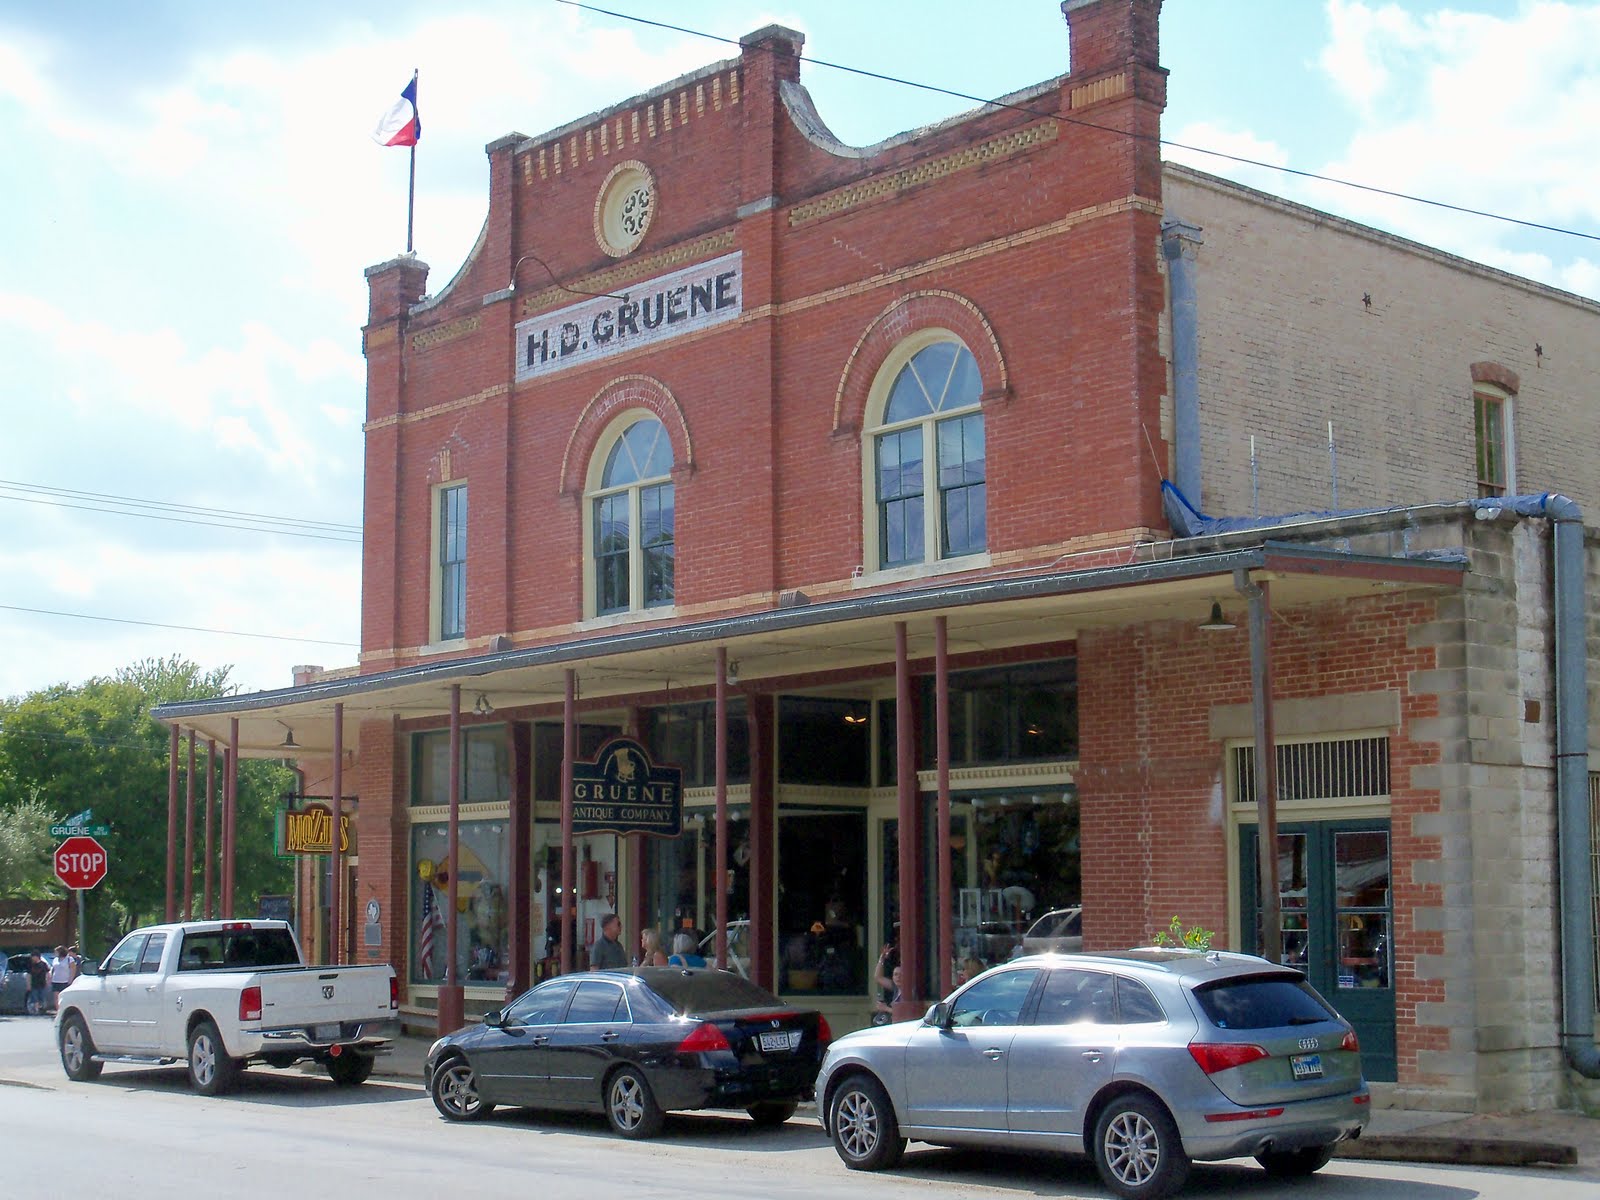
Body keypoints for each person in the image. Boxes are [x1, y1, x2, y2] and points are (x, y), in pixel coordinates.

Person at [48, 943, 76, 1010]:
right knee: (56, 997)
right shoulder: (55, 960)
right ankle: (58, 1011)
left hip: (65, 981)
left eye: (56, 952)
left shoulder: (69, 959)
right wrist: (50, 978)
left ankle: (64, 1010)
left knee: (64, 997)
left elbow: (73, 970)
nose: (55, 953)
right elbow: (53, 969)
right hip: (55, 980)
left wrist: (70, 980)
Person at [26, 951, 50, 1016]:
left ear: (37, 956)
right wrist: (28, 984)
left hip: (42, 983)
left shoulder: (43, 964)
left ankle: (42, 1009)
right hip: (34, 984)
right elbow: (28, 975)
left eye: (33, 956)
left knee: (42, 997)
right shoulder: (30, 965)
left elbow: (47, 973)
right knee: (35, 998)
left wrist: (48, 981)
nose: (32, 958)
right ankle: (36, 1010)